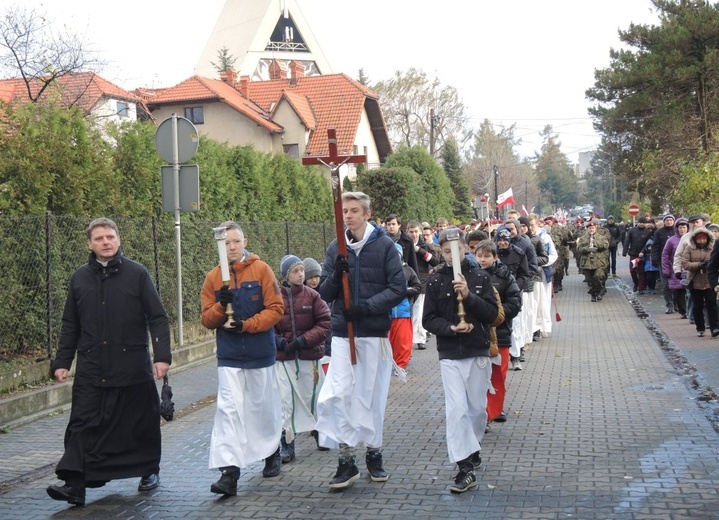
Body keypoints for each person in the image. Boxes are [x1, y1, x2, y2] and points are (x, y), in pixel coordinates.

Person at [47, 218, 172, 507]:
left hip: (131, 365)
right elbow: (70, 324)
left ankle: (148, 470)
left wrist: (162, 356)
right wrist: (62, 361)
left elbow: (157, 317)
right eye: (99, 238)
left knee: (139, 423)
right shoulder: (79, 278)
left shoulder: (137, 274)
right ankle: (74, 486)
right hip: (92, 367)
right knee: (81, 424)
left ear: (118, 240)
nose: (105, 242)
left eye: (110, 236)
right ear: (90, 243)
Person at [315, 191, 405, 489]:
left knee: (370, 396)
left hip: (372, 334)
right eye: (345, 211)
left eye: (354, 210)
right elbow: (325, 295)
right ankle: (345, 458)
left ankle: (374, 453)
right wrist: (334, 276)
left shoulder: (385, 246)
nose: (348, 215)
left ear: (367, 214)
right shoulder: (335, 248)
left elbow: (397, 288)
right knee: (339, 394)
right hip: (343, 334)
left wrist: (365, 308)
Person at [201, 221, 285, 497]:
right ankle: (229, 472)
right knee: (228, 410)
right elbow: (206, 319)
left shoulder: (262, 270)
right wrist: (218, 305)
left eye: (235, 241)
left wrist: (247, 325)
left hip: (260, 353)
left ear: (244, 242)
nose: (232, 247)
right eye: (226, 243)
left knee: (262, 408)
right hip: (229, 356)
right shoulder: (213, 277)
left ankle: (271, 451)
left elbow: (276, 309)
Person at [423, 229, 499, 493]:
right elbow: (428, 319)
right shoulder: (434, 282)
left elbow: (491, 314)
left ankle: (473, 445)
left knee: (476, 410)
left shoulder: (480, 276)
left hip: (477, 350)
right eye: (445, 250)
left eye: (456, 249)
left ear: (466, 248)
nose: (451, 254)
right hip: (450, 353)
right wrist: (449, 328)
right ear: (441, 252)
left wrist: (469, 296)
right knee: (456, 409)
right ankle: (464, 466)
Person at [274, 255, 331, 463]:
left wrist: (304, 340)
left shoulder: (313, 297)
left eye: (302, 270)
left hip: (309, 356)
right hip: (285, 359)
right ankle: (287, 443)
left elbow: (325, 323)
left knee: (314, 398)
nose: (301, 274)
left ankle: (320, 432)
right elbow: (268, 324)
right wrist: (278, 342)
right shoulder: (274, 297)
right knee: (286, 402)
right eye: (295, 271)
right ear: (286, 274)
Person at [474, 239, 521, 426]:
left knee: (497, 376)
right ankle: (482, 414)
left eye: (486, 256)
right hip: (477, 334)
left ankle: (493, 410)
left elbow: (515, 302)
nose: (482, 259)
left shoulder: (505, 276)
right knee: (478, 377)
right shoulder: (470, 274)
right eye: (479, 255)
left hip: (500, 333)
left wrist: (497, 315)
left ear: (494, 257)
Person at [388, 244, 421, 371]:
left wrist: (404, 292)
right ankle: (390, 365)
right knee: (388, 342)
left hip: (403, 312)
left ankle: (401, 366)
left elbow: (417, 287)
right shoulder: (385, 271)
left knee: (403, 342)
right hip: (387, 313)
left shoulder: (408, 271)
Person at [681, 227, 719, 337]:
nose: (702, 241)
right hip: (695, 280)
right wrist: (698, 265)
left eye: (704, 239)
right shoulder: (689, 248)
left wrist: (709, 265)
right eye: (699, 239)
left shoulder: (712, 248)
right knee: (697, 305)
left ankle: (714, 327)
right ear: (695, 239)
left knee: (712, 305)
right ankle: (700, 327)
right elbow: (685, 263)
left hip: (709, 281)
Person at [407, 220, 439, 349]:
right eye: (411, 232)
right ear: (407, 232)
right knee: (410, 310)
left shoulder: (425, 246)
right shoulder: (404, 244)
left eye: (416, 232)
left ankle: (420, 338)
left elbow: (435, 261)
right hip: (407, 280)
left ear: (420, 232)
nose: (414, 234)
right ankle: (410, 336)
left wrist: (419, 250)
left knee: (419, 310)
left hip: (422, 280)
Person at [662, 218, 689, 317]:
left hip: (690, 269)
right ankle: (683, 311)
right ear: (677, 228)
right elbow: (665, 256)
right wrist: (666, 270)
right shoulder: (671, 240)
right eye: (680, 227)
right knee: (678, 292)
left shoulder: (691, 238)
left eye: (684, 227)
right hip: (676, 270)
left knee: (690, 292)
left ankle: (691, 312)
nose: (682, 229)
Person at [577, 220, 609, 301]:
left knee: (598, 276)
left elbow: (606, 245)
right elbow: (579, 248)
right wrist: (587, 249)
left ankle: (599, 292)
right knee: (590, 280)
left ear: (596, 228)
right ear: (587, 229)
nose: (591, 229)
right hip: (587, 262)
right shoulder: (583, 238)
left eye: (593, 228)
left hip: (599, 261)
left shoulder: (601, 237)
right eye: (590, 228)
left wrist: (596, 243)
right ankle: (593, 294)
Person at [623, 217, 654, 294]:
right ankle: (636, 283)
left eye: (643, 222)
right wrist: (624, 251)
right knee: (632, 270)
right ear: (638, 222)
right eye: (640, 222)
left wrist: (643, 251)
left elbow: (648, 243)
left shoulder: (647, 232)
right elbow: (627, 241)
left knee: (641, 271)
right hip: (633, 254)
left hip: (643, 254)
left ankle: (641, 288)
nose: (641, 224)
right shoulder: (632, 230)